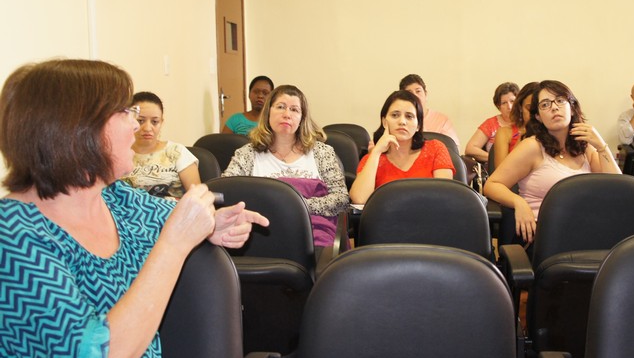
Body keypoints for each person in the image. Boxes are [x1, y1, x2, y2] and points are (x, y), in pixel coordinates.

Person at [0, 59, 268, 358]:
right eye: (125, 112)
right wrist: (174, 245)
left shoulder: (118, 200)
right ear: (77, 128)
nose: (135, 124)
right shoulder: (13, 235)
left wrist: (213, 224)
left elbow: (177, 220)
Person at [484, 80, 621, 243]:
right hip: (545, 234)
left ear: (572, 108)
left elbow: (617, 190)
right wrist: (518, 202)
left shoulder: (586, 148)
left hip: (588, 230)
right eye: (545, 105)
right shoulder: (532, 146)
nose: (554, 107)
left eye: (560, 101)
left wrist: (602, 147)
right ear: (538, 117)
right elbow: (492, 184)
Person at [222, 84, 349, 249]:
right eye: (280, 107)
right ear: (268, 113)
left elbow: (341, 199)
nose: (287, 114)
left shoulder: (323, 152)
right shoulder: (247, 153)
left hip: (311, 235)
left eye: (295, 110)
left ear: (302, 118)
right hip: (259, 232)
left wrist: (294, 205)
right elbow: (227, 192)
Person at [350, 90, 455, 204]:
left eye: (409, 116)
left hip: (429, 218)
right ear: (384, 122)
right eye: (395, 115)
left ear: (418, 125)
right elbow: (359, 200)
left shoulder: (436, 149)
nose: (402, 121)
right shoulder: (372, 159)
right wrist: (376, 152)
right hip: (388, 219)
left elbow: (444, 197)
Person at [123, 91, 200, 199]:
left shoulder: (176, 152)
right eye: (140, 121)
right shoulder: (118, 152)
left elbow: (197, 199)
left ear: (161, 122)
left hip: (172, 212)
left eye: (154, 122)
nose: (147, 128)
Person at [399, 74, 460, 151]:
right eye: (409, 93)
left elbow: (453, 150)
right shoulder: (399, 122)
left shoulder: (442, 120)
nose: (415, 96)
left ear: (426, 94)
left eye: (418, 91)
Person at [465, 82, 518, 164]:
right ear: (498, 106)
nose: (509, 107)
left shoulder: (526, 123)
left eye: (512, 101)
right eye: (504, 103)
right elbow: (470, 148)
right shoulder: (491, 124)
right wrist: (495, 158)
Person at [493, 81, 538, 169]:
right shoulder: (505, 132)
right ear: (520, 108)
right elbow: (501, 173)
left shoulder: (554, 131)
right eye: (530, 108)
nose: (535, 113)